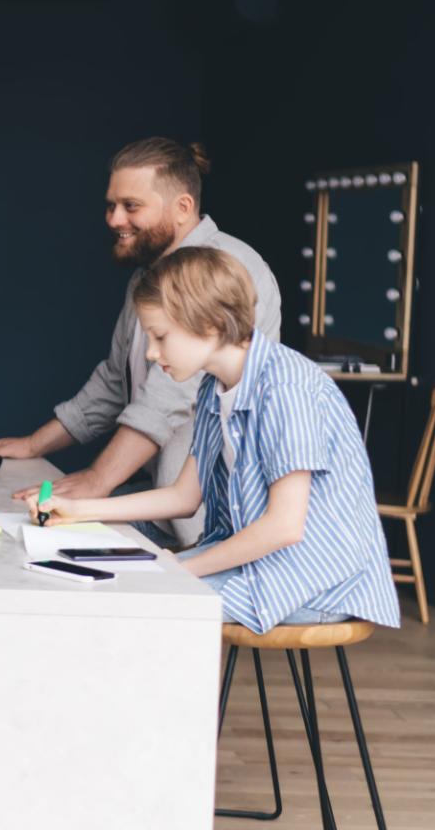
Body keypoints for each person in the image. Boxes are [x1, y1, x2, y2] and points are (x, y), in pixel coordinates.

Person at [29, 247, 399, 633]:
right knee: (108, 583)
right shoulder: (211, 388)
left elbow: (284, 527)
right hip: (257, 566)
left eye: (160, 337)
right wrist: (78, 509)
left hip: (311, 582)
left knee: (135, 599)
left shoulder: (287, 387)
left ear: (209, 325)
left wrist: (180, 568)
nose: (153, 354)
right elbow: (184, 498)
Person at [0, 138, 281, 547]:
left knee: (40, 538)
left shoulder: (221, 269)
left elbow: (165, 398)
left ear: (183, 208)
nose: (115, 219)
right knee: (27, 526)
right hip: (165, 502)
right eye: (111, 205)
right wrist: (33, 444)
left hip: (206, 525)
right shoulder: (149, 276)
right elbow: (115, 381)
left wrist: (98, 481)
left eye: (131, 206)